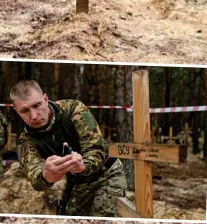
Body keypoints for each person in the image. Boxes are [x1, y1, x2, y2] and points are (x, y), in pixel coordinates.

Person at [10, 79, 126, 216]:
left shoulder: (73, 109)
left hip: (107, 174)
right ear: (16, 111)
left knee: (100, 215)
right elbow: (35, 177)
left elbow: (96, 148)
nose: (34, 116)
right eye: (25, 111)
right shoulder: (25, 142)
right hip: (77, 181)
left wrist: (83, 165)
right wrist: (46, 176)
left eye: (37, 105)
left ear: (46, 99)